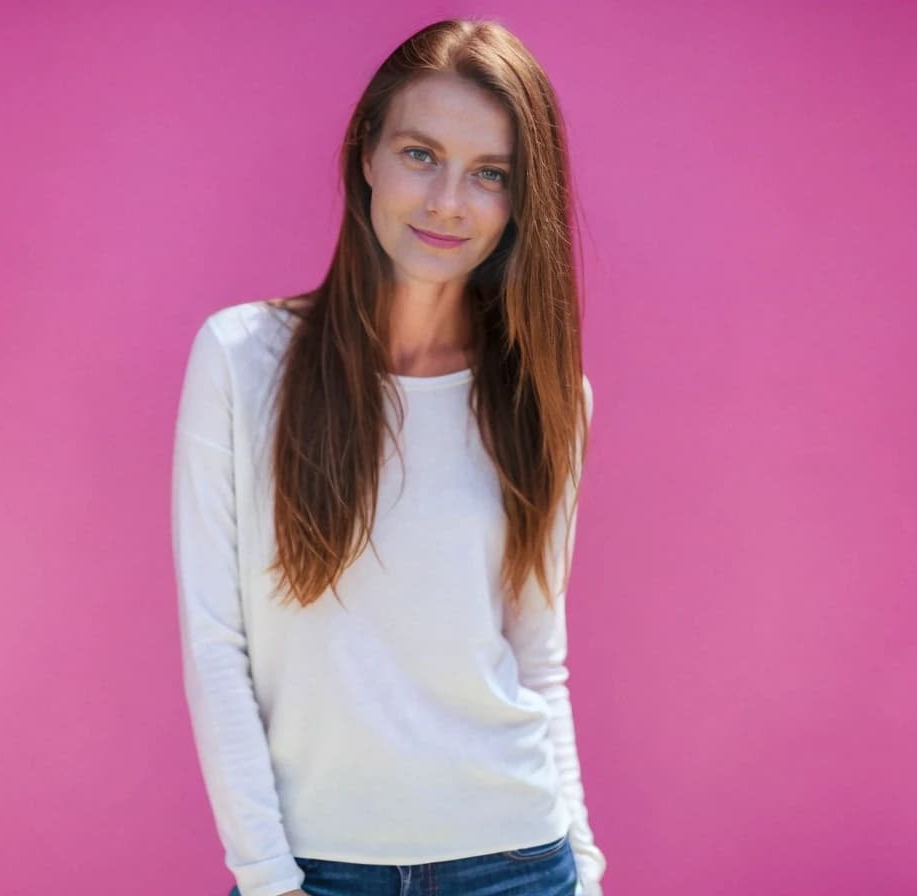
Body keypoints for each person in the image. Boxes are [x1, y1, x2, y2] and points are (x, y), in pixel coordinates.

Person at [172, 17, 607, 896]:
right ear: (366, 153)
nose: (450, 200)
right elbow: (218, 649)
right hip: (316, 871)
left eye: (491, 174)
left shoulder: (546, 400)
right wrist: (266, 877)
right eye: (421, 154)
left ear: (522, 203)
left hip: (519, 863)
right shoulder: (242, 358)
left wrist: (586, 872)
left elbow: (535, 659)